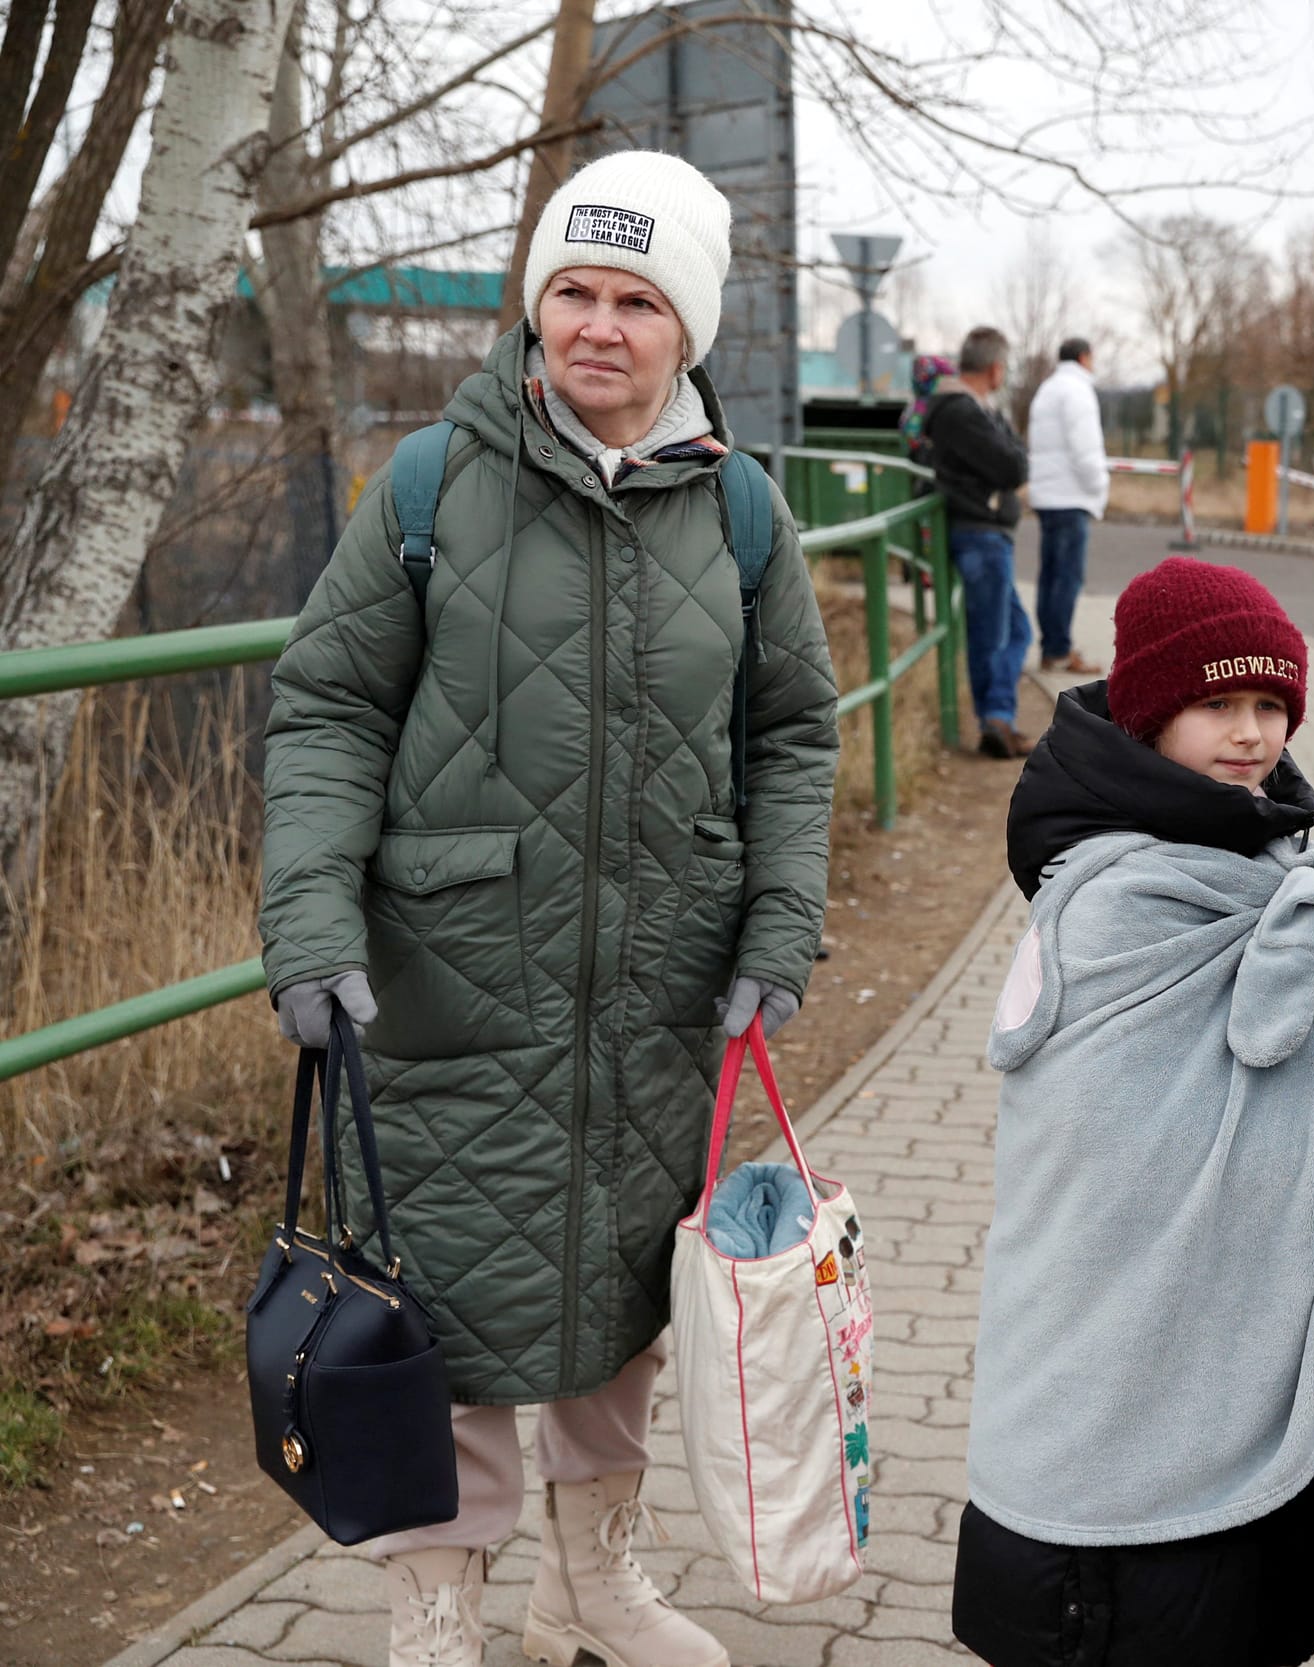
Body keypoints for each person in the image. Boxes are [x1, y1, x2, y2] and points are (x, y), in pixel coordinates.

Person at [257, 150, 840, 1667]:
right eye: (571, 290)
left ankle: (591, 1582)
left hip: (664, 981)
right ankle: (435, 1611)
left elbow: (790, 735)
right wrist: (309, 925)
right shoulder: (432, 483)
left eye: (636, 298)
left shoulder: (746, 515)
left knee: (628, 1299)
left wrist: (778, 927)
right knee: (436, 1315)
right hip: (452, 980)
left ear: (688, 327)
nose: (597, 324)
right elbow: (324, 710)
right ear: (533, 309)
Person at [953, 557, 1314, 1667]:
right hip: (1111, 1467)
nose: (1251, 731)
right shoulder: (1121, 903)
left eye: (1271, 705)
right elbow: (1132, 1154)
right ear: (1149, 710)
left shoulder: (1257, 851)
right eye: (1218, 702)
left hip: (1223, 1469)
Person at [925, 325, 1035, 757]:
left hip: (987, 534)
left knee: (1014, 630)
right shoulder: (961, 411)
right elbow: (1013, 466)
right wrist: (1012, 459)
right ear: (994, 368)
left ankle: (998, 718)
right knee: (993, 633)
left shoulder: (976, 408)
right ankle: (994, 721)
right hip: (980, 534)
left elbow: (1016, 459)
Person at [1025, 336, 1112, 674]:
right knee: (1067, 577)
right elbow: (1085, 447)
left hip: (1047, 495)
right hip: (1070, 494)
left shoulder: (1047, 390)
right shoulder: (1077, 391)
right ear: (1083, 357)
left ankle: (1051, 645)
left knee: (1050, 575)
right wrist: (1099, 487)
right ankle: (1060, 650)